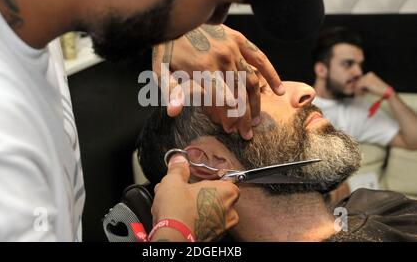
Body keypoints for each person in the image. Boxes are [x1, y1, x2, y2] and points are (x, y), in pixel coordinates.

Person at [0, 0, 324, 241]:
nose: (212, 26)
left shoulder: (12, 9)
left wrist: (162, 22)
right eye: (216, 4)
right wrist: (174, 236)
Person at [137, 73, 417, 241]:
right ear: (211, 161)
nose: (306, 90)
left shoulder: (384, 207)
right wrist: (172, 231)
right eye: (257, 93)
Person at [312, 26, 417, 150]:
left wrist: (390, 94)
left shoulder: (359, 110)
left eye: (360, 65)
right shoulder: (297, 103)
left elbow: (413, 141)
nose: (358, 72)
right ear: (321, 70)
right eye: (348, 64)